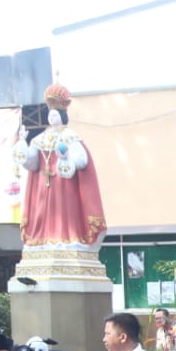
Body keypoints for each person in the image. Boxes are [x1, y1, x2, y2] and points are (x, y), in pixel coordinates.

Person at [18, 83, 106, 251]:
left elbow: (82, 159)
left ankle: (67, 238)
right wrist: (22, 144)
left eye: (54, 114)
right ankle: (42, 240)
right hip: (42, 189)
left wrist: (66, 160)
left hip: (64, 186)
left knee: (65, 215)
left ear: (62, 115)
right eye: (49, 115)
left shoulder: (70, 136)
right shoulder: (41, 138)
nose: (51, 118)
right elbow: (32, 163)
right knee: (43, 213)